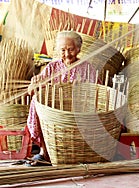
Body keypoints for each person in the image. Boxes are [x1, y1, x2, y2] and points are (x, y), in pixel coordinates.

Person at [26, 30, 100, 166]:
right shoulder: (52, 67)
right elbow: (32, 90)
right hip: (53, 110)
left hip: (77, 110)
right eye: (63, 50)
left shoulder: (88, 68)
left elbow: (98, 92)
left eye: (70, 50)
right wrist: (35, 84)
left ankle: (80, 150)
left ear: (78, 49)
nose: (67, 54)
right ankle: (44, 151)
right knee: (36, 101)